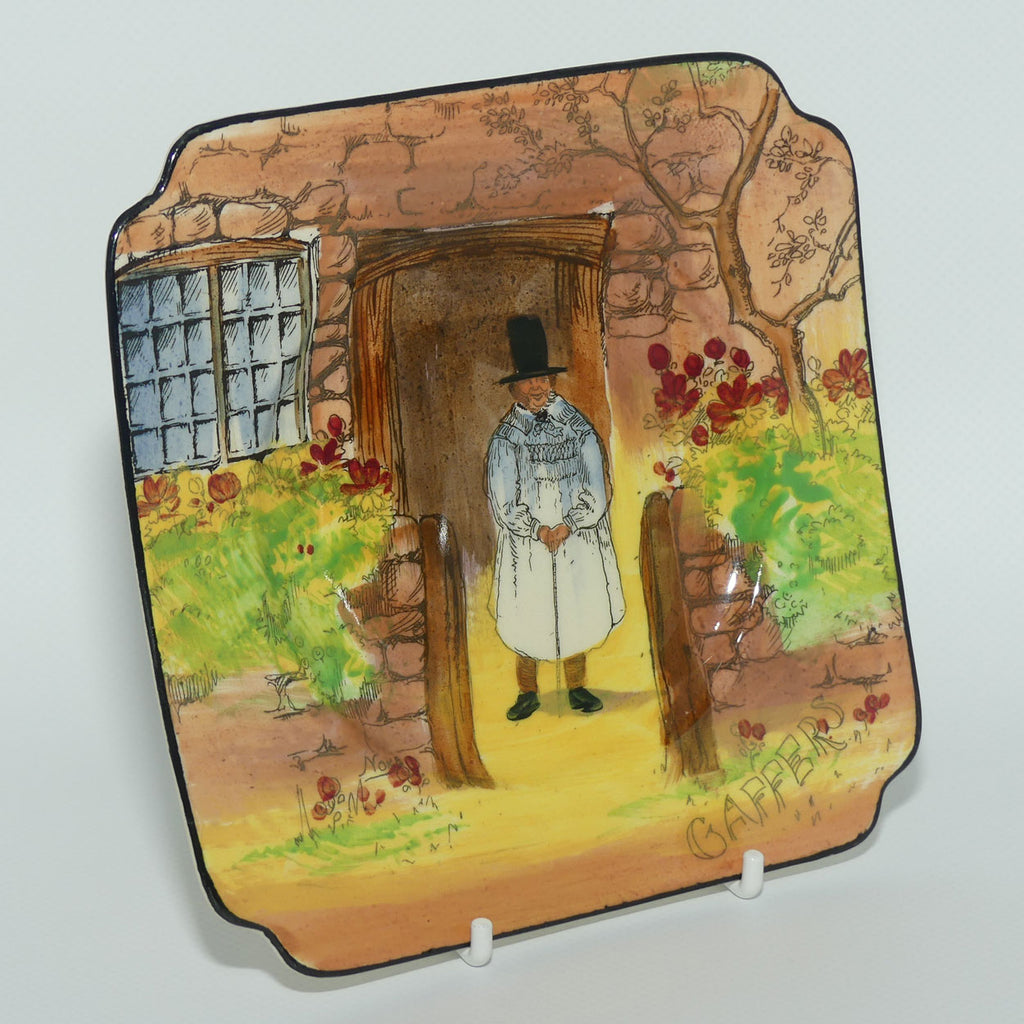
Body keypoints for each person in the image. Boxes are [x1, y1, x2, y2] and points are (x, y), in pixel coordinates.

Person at [485, 315, 625, 721]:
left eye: (542, 379)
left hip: (575, 539)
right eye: (529, 381)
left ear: (551, 381)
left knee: (576, 604)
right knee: (529, 611)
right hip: (529, 545)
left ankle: (577, 686)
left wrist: (571, 523)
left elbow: (595, 485)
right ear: (514, 388)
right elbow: (503, 498)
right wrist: (536, 529)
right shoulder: (506, 439)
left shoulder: (578, 429)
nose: (537, 387)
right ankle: (527, 692)